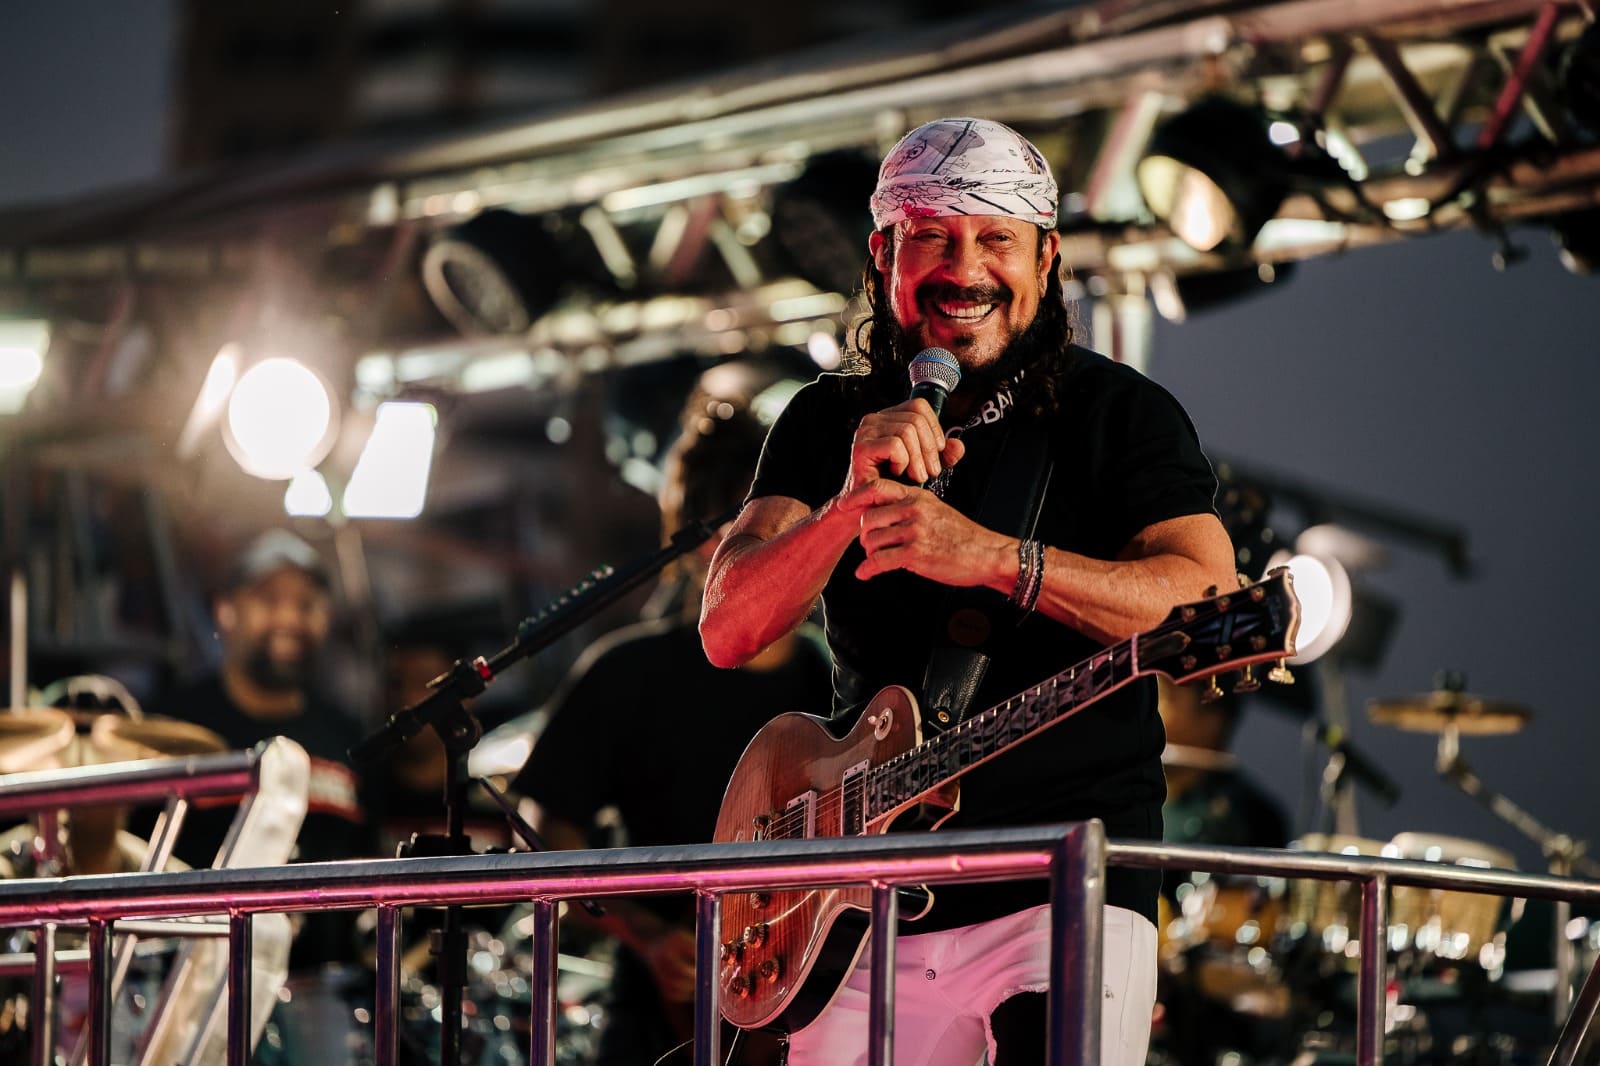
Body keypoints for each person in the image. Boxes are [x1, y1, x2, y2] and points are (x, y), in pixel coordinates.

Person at [699, 117, 1237, 1065]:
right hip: (862, 895)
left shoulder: (1121, 415)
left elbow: (1205, 597)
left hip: (1060, 883)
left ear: (1047, 258)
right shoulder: (824, 419)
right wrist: (844, 507)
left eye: (996, 239)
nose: (966, 269)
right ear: (883, 254)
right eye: (934, 237)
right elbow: (728, 628)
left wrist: (993, 558)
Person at [515, 381, 835, 1066]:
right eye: (743, 532)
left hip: (814, 1009)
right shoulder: (626, 672)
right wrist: (647, 936)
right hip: (655, 1018)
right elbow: (547, 831)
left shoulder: (834, 679)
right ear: (695, 544)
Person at [150, 528, 376, 972]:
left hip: (326, 988)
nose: (289, 618)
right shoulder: (172, 728)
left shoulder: (349, 735)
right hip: (191, 981)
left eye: (306, 605)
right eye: (269, 601)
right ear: (225, 611)